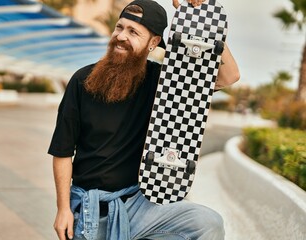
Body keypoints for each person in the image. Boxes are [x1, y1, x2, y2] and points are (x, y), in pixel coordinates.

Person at [48, 0, 240, 239]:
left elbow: (229, 75)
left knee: (208, 223)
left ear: (154, 42)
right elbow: (62, 152)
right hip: (90, 206)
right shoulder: (82, 80)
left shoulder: (164, 81)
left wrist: (203, 20)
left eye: (133, 32)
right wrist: (63, 209)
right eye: (119, 27)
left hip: (140, 204)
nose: (121, 37)